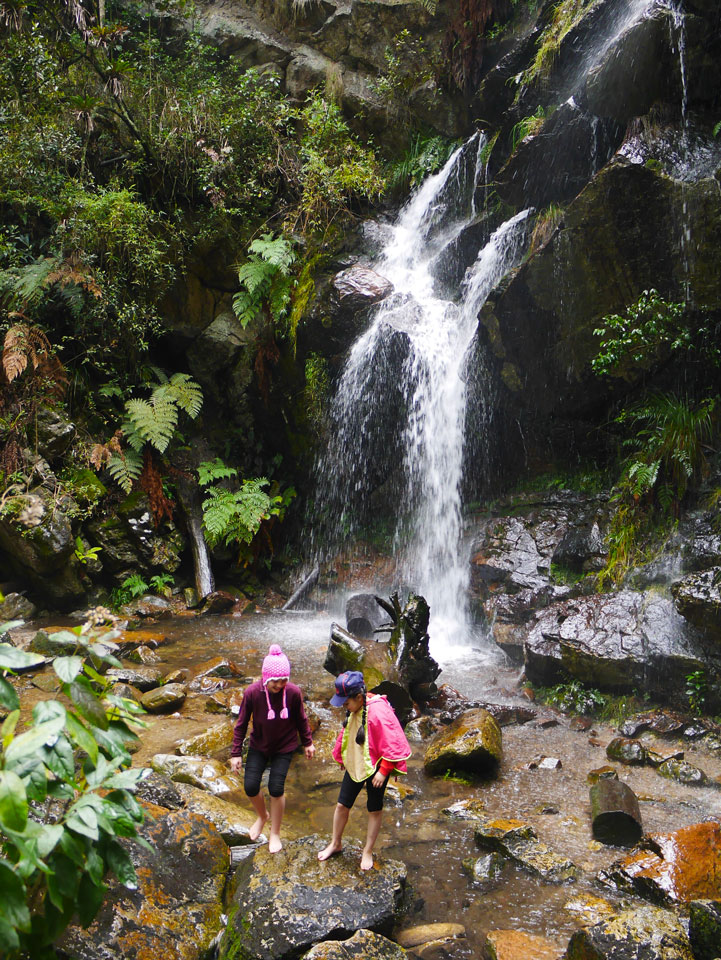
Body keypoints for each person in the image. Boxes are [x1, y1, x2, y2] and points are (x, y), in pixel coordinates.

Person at [318, 670, 411, 870]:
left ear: (359, 697)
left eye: (346, 703)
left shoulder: (379, 711)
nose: (345, 707)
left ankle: (367, 850)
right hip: (356, 762)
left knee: (374, 808)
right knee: (342, 805)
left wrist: (384, 770)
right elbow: (347, 732)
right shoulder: (354, 709)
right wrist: (341, 755)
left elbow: (392, 742)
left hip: (377, 766)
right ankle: (336, 842)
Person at [229, 644, 315, 853]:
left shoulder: (293, 693)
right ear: (266, 678)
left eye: (284, 679)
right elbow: (241, 723)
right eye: (275, 681)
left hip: (284, 747)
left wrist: (308, 742)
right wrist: (235, 753)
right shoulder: (252, 693)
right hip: (259, 744)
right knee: (250, 786)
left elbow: (301, 719)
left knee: (276, 788)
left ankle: (275, 833)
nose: (279, 685)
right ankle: (262, 816)